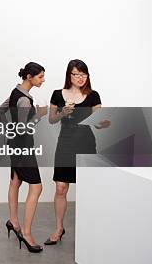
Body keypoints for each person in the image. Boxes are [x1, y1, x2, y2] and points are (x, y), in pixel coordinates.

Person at [45, 59, 110, 245]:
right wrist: (63, 113)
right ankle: (59, 229)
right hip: (65, 143)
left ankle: (91, 228)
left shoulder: (93, 95)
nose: (81, 78)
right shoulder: (58, 94)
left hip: (86, 143)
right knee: (60, 187)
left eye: (84, 74)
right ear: (69, 75)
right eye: (77, 74)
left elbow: (99, 121)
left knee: (89, 188)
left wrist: (103, 123)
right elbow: (51, 120)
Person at [0, 62, 47, 253]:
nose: (43, 80)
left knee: (15, 182)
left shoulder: (15, 93)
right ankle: (26, 234)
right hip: (23, 148)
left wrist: (6, 130)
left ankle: (14, 222)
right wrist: (40, 115)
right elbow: (25, 128)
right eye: (40, 76)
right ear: (29, 77)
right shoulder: (25, 100)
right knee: (37, 187)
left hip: (14, 146)